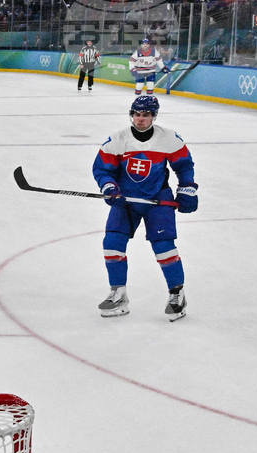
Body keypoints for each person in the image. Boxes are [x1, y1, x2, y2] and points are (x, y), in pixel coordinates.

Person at [92, 95, 196, 321]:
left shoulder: (168, 138)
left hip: (158, 199)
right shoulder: (118, 139)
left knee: (163, 246)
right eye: (136, 115)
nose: (140, 120)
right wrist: (109, 187)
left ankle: (177, 295)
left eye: (145, 115)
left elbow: (184, 165)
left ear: (153, 116)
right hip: (126, 200)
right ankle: (118, 293)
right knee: (112, 242)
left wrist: (187, 189)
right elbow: (103, 169)